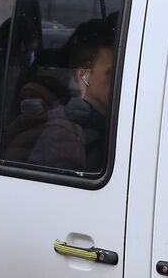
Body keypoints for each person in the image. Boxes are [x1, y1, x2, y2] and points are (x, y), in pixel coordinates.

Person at [30, 18, 117, 174]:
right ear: (83, 76)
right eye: (110, 73)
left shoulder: (108, 122)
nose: (119, 78)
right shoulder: (65, 133)